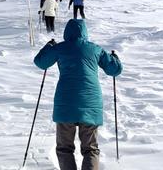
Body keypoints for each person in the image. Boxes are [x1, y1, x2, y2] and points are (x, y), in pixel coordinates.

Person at [34, 19, 123, 170]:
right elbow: (114, 70)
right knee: (90, 149)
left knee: (64, 149)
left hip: (66, 104)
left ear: (66, 32)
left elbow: (41, 62)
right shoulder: (95, 49)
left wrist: (49, 46)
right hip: (90, 105)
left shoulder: (60, 48)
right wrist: (115, 58)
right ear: (85, 32)